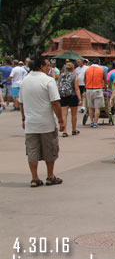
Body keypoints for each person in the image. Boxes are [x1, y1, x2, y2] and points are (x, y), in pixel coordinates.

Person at [19, 56, 65, 187]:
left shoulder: (24, 81)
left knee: (32, 151)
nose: (49, 68)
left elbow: (21, 103)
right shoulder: (48, 81)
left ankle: (34, 178)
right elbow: (55, 103)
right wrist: (61, 120)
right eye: (48, 66)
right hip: (46, 123)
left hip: (30, 124)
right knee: (50, 149)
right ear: (41, 67)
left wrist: (23, 118)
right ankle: (50, 176)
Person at [58, 62, 82, 137]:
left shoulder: (61, 76)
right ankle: (74, 129)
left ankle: (64, 131)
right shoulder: (75, 76)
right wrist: (80, 99)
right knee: (74, 114)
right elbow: (77, 88)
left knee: (64, 114)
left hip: (63, 96)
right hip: (73, 95)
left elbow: (59, 85)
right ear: (73, 68)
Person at [84, 58, 106, 128]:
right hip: (98, 89)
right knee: (97, 108)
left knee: (90, 107)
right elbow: (105, 80)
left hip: (89, 89)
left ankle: (91, 121)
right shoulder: (101, 70)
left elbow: (84, 79)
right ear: (99, 62)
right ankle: (96, 123)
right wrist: (104, 86)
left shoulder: (87, 70)